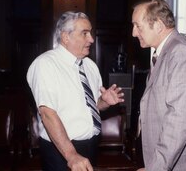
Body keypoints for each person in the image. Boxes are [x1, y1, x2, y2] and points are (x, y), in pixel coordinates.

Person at [27, 11, 124, 171]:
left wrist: (103, 102)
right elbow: (47, 114)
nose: (92, 39)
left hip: (91, 146)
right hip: (61, 151)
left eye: (90, 32)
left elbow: (91, 108)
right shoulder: (45, 65)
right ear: (66, 37)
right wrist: (71, 155)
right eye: (84, 33)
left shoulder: (90, 66)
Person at [132, 0, 186, 171]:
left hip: (178, 162)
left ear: (159, 25)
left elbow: (179, 121)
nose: (134, 32)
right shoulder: (166, 51)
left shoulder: (181, 53)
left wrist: (156, 167)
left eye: (138, 26)